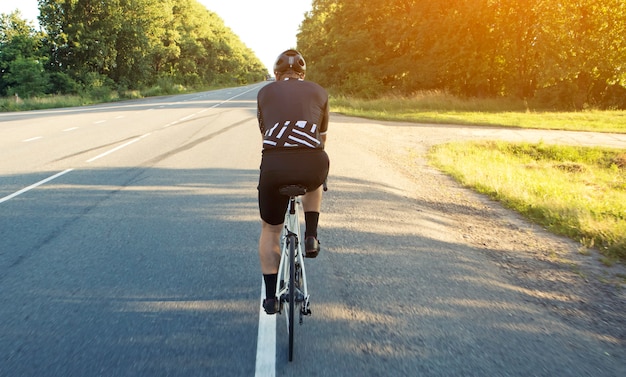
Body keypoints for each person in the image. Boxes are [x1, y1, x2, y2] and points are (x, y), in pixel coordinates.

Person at [256, 49, 330, 315]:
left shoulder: (265, 93)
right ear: (303, 75)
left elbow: (266, 134)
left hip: (275, 166)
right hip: (312, 163)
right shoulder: (319, 91)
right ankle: (311, 235)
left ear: (276, 75)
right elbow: (321, 138)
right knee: (316, 179)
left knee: (270, 230)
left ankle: (271, 298)